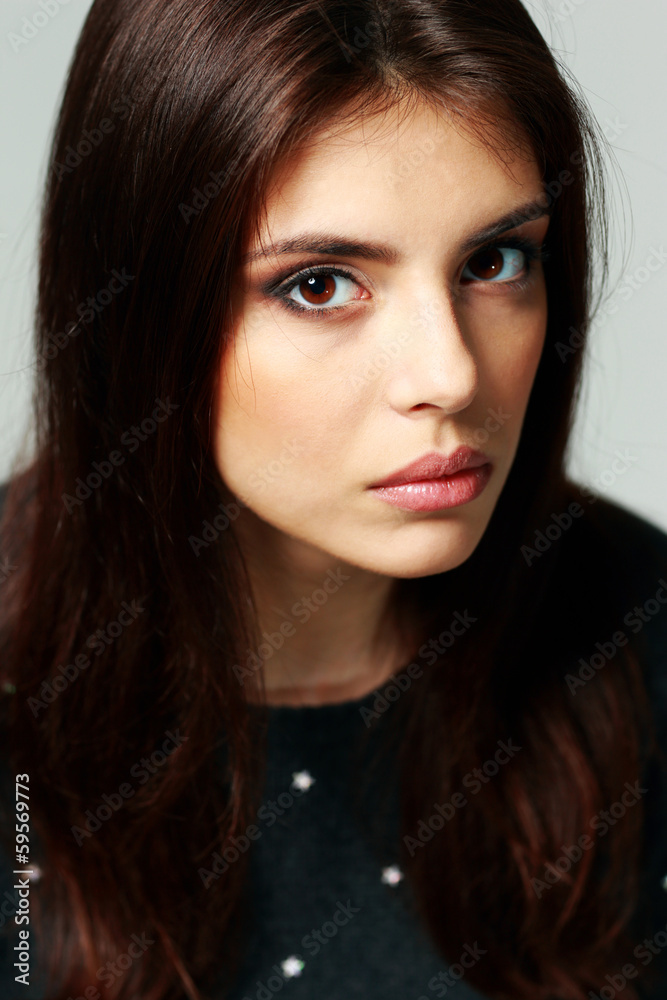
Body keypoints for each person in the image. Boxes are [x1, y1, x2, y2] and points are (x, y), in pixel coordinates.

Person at [0, 0, 666, 998]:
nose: (448, 374)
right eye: (319, 284)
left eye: (493, 261)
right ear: (138, 303)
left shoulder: (637, 627)